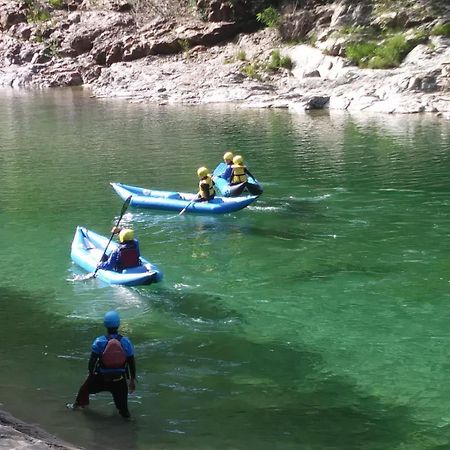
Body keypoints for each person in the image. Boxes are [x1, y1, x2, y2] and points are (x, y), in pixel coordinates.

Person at [66, 311, 137, 418]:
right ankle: (128, 428)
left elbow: (92, 363)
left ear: (105, 325)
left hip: (101, 379)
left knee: (84, 390)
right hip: (119, 381)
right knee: (124, 412)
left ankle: (76, 406)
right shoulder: (126, 342)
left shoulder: (99, 341)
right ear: (118, 325)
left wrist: (90, 375)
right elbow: (131, 362)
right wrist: (132, 379)